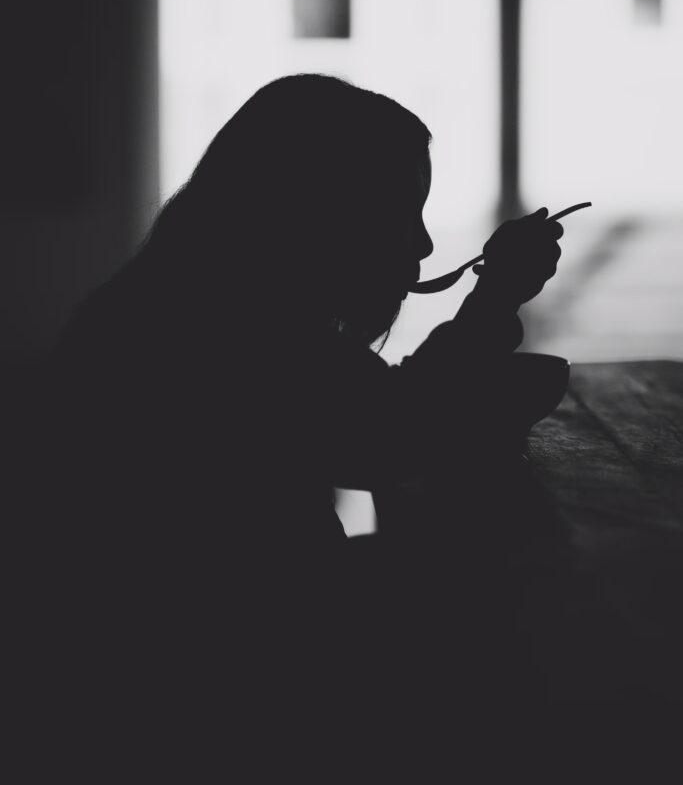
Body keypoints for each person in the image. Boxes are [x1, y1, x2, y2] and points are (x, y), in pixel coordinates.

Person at [33, 74, 563, 775]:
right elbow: (390, 437)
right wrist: (494, 295)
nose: (426, 245)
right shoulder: (236, 330)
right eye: (403, 211)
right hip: (211, 697)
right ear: (327, 210)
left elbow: (369, 419)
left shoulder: (177, 300)